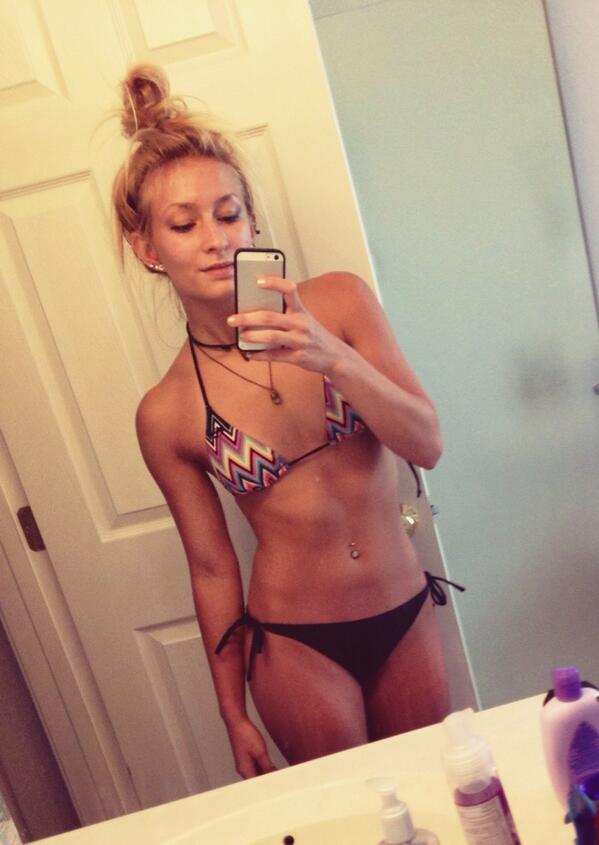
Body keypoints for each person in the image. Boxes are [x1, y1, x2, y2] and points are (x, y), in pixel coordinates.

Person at [112, 64, 460, 780]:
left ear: (254, 222)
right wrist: (230, 710)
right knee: (348, 816)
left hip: (403, 611)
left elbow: (425, 444)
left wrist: (333, 358)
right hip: (295, 643)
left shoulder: (340, 304)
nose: (215, 239)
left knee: (434, 794)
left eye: (228, 213)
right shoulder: (168, 411)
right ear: (148, 248)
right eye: (184, 223)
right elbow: (212, 567)